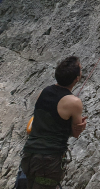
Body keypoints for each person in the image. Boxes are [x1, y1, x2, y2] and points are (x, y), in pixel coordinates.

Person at [20, 56, 87, 189]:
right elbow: (75, 133)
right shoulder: (74, 102)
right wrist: (81, 127)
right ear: (77, 78)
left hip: (29, 155)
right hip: (48, 161)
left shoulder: (43, 92)